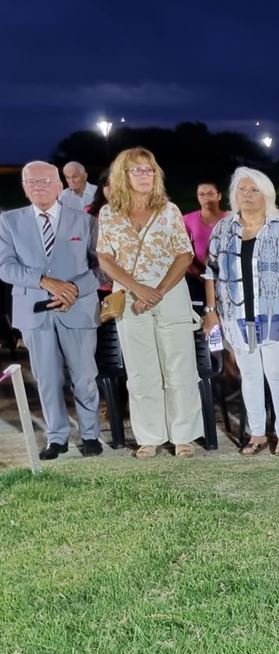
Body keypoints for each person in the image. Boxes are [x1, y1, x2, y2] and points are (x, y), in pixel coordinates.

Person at [96, 147, 204, 459]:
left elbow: (184, 254)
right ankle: (149, 436)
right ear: (123, 175)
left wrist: (157, 291)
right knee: (141, 371)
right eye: (138, 170)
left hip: (170, 295)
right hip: (130, 298)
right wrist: (138, 289)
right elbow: (105, 258)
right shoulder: (109, 213)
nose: (145, 175)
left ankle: (183, 435)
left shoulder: (168, 210)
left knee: (180, 367)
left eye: (150, 170)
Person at [0, 161, 102, 459]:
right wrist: (43, 281)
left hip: (78, 310)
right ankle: (56, 437)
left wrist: (74, 289)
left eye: (45, 181)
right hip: (33, 311)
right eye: (31, 182)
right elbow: (4, 267)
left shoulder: (85, 221)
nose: (38, 186)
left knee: (84, 377)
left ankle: (90, 435)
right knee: (46, 377)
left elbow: (102, 269)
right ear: (24, 187)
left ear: (59, 186)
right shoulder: (8, 221)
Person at [202, 168, 279, 456]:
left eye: (254, 189)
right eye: (242, 189)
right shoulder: (223, 230)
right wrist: (211, 311)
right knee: (249, 375)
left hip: (275, 316)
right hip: (236, 316)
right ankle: (256, 434)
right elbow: (210, 273)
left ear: (266, 194)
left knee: (277, 373)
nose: (247, 195)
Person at [181, 181, 227, 307]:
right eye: (202, 194)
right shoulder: (187, 220)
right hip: (197, 278)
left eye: (211, 194)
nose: (206, 198)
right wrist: (199, 274)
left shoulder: (231, 219)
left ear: (219, 196)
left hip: (227, 277)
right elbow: (183, 250)